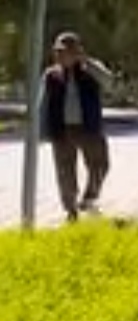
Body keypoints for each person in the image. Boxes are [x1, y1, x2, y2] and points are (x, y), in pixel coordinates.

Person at [39, 32, 113, 223]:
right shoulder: (51, 75)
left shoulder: (90, 70)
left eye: (66, 52)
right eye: (58, 52)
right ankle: (71, 210)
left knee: (100, 164)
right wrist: (41, 130)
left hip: (88, 127)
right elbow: (43, 103)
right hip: (62, 129)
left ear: (77, 52)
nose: (61, 56)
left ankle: (89, 197)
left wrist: (87, 61)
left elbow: (109, 82)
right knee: (65, 171)